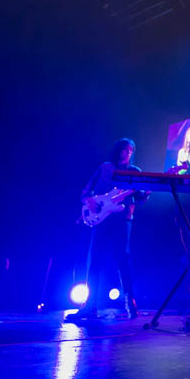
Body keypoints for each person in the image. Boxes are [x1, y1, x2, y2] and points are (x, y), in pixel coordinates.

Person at [67, 138, 148, 323]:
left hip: (122, 219)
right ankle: (89, 306)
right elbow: (86, 190)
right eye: (125, 149)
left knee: (123, 260)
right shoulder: (105, 168)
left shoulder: (135, 171)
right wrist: (89, 201)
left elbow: (140, 197)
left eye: (131, 150)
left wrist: (146, 194)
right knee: (94, 261)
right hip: (101, 220)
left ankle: (131, 305)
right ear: (118, 150)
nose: (128, 153)